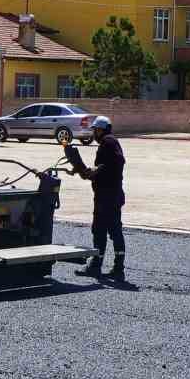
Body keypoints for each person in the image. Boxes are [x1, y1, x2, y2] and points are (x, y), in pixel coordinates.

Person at [70, 116, 126, 282]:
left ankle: (97, 266)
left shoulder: (108, 142)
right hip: (111, 195)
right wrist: (85, 171)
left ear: (102, 130)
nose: (94, 133)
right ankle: (117, 268)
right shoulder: (110, 142)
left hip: (107, 196)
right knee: (113, 230)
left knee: (101, 230)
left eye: (95, 130)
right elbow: (106, 166)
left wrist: (95, 170)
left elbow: (116, 162)